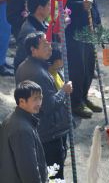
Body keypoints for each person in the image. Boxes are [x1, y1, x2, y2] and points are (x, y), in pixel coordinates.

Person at [15, 32, 72, 179]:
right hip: (48, 133)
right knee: (54, 174)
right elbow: (49, 105)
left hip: (43, 130)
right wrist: (64, 91)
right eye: (45, 45)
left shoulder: (27, 66)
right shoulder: (37, 73)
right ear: (33, 50)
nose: (50, 48)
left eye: (49, 44)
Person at [55, 0, 102, 118]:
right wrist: (79, 6)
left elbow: (95, 3)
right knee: (78, 67)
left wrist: (98, 25)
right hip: (73, 30)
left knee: (90, 66)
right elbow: (59, 5)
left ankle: (83, 96)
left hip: (89, 29)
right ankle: (76, 102)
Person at [0, 80, 48, 182]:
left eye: (41, 98)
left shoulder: (13, 118)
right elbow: (29, 171)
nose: (39, 103)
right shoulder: (22, 130)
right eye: (35, 99)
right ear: (22, 101)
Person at [14, 0, 50, 71]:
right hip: (30, 72)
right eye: (48, 5)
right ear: (40, 9)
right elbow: (25, 57)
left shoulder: (42, 23)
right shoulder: (30, 31)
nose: (51, 7)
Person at [0, 0, 13, 77]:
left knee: (6, 34)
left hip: (5, 6)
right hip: (2, 5)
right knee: (2, 35)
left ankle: (2, 60)